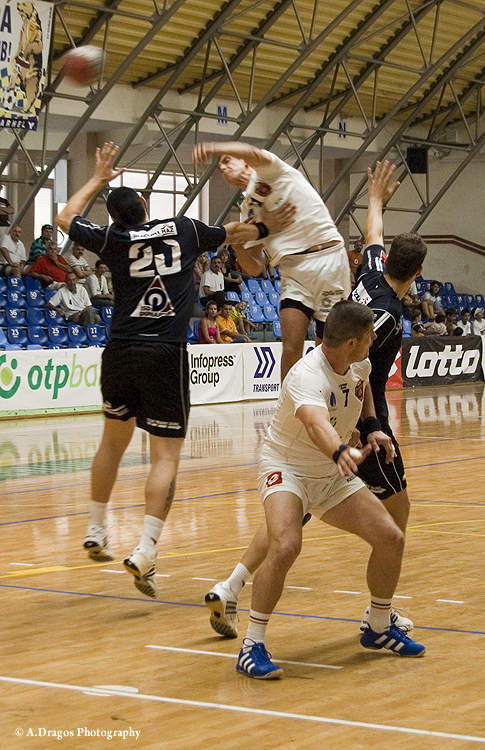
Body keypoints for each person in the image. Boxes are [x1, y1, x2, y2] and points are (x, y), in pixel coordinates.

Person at [55, 142, 293, 599]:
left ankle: (96, 528)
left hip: (120, 349)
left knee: (111, 443)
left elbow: (65, 218)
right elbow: (234, 232)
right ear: (146, 205)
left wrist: (97, 177)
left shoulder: (114, 239)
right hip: (164, 353)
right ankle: (146, 549)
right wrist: (269, 224)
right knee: (164, 457)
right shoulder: (183, 229)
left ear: (115, 217)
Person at [205, 162, 427, 641]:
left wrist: (374, 199)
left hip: (344, 407)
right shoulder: (383, 320)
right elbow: (354, 370)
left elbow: (372, 236)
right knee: (396, 516)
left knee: (295, 511)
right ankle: (381, 613)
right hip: (356, 415)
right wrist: (363, 430)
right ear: (418, 273)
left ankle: (231, 585)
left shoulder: (370, 273)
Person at [232, 300, 425, 679]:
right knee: (286, 545)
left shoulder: (359, 363)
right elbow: (315, 423)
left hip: (330, 475)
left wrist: (372, 426)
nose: (374, 340)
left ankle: (379, 626)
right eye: (369, 336)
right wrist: (339, 450)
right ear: (351, 342)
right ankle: (251, 645)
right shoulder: (307, 375)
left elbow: (363, 390)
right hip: (287, 469)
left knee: (391, 538)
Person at [192, 141, 350, 382]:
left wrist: (213, 147)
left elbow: (253, 152)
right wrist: (238, 244)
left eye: (227, 160)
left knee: (328, 348)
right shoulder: (248, 210)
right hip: (292, 270)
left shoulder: (273, 171)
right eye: (220, 164)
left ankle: (331, 400)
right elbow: (255, 267)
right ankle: (287, 403)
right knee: (291, 347)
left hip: (327, 258)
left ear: (245, 161)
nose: (222, 167)